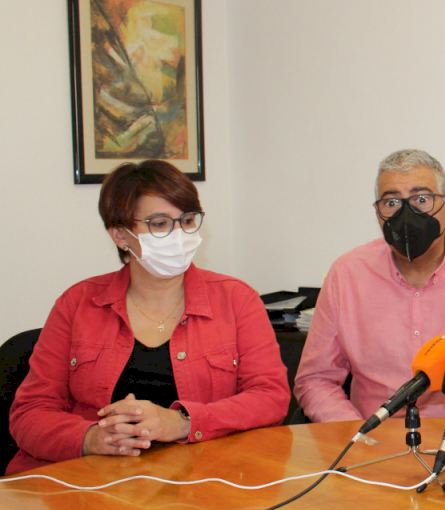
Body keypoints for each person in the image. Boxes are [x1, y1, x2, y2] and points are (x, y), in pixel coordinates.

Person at [8, 161, 289, 475]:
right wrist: (92, 438)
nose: (178, 235)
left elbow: (270, 397)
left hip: (201, 478)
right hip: (89, 480)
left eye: (187, 220)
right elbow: (30, 412)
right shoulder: (77, 304)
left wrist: (182, 422)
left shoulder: (237, 299)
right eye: (159, 224)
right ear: (120, 235)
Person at [294, 149, 445, 422]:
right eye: (391, 202)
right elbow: (315, 379)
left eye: (422, 199)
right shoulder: (346, 275)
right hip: (373, 437)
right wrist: (355, 432)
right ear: (377, 213)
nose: (406, 213)